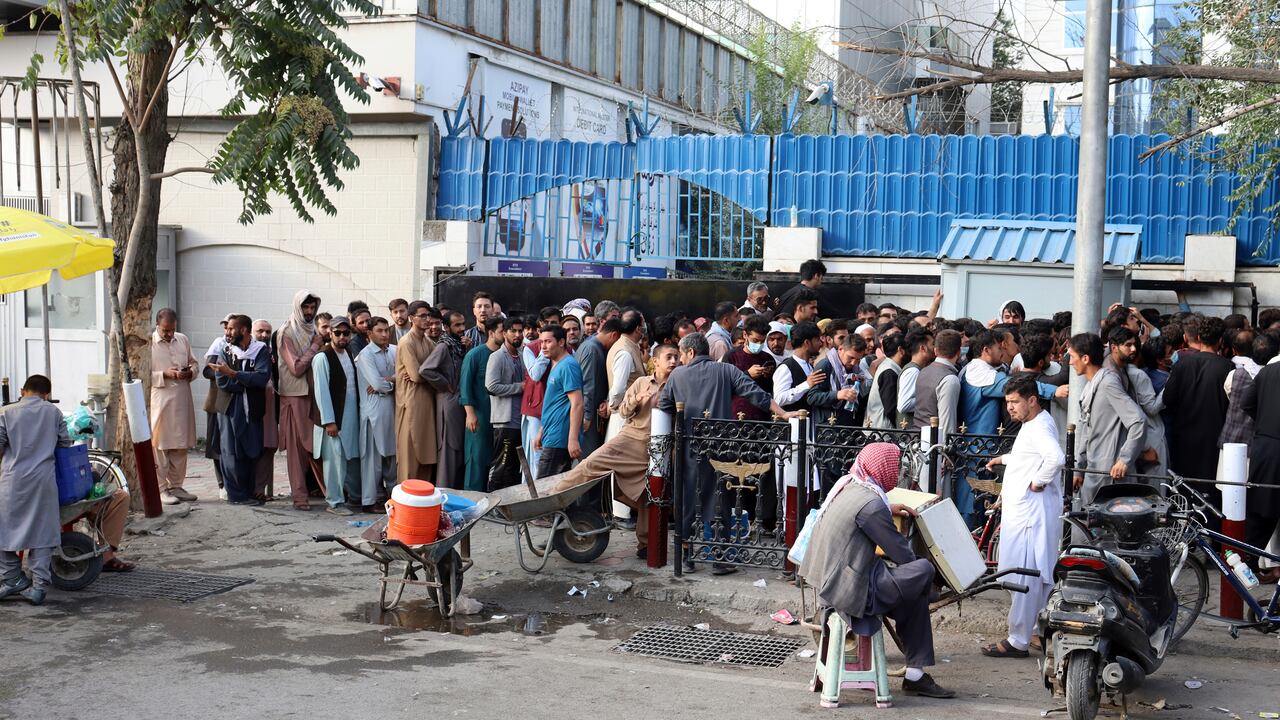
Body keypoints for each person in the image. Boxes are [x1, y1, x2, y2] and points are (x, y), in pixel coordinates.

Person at [798, 443, 955, 699]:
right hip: (848, 587)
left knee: (914, 594)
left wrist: (888, 508)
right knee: (923, 569)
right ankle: (916, 673)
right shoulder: (871, 505)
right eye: (895, 466)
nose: (898, 471)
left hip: (835, 574)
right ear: (883, 468)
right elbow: (902, 555)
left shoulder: (851, 483)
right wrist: (928, 574)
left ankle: (915, 676)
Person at [658, 332, 796, 574]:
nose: (680, 360)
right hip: (721, 447)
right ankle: (719, 558)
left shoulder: (677, 375)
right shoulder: (726, 371)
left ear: (690, 352)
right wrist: (783, 413)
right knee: (720, 500)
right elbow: (756, 394)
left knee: (687, 499)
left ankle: (687, 556)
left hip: (689, 447)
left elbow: (665, 407)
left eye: (681, 354)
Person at [553, 344, 681, 559]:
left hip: (658, 450)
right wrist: (636, 399)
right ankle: (554, 495)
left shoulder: (678, 385)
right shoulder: (642, 382)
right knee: (592, 462)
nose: (673, 361)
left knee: (647, 497)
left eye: (676, 357)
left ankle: (645, 545)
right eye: (669, 357)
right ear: (655, 361)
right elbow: (622, 410)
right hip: (630, 439)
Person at [982, 375, 1064, 659]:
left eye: (1015, 402)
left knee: (1024, 575)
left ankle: (1018, 639)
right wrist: (1004, 459)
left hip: (1031, 514)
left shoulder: (1039, 426)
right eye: (1008, 403)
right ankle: (1034, 631)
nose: (1010, 409)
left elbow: (1055, 458)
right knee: (1030, 574)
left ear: (1032, 400)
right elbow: (1031, 455)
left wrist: (1038, 481)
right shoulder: (1034, 424)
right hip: (1027, 511)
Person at [0, 375, 72, 605]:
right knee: (42, 533)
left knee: (4, 531)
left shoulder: (6, 413)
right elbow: (65, 444)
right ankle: (39, 588)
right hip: (44, 481)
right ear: (47, 395)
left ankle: (12, 577)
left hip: (13, 482)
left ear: (22, 390)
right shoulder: (54, 413)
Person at [1069, 332, 1146, 505]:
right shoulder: (1092, 385)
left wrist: (1125, 460)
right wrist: (1079, 470)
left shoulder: (1108, 383)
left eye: (1072, 357)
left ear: (1085, 358)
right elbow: (1087, 430)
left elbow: (1138, 420)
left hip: (1110, 475)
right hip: (1095, 471)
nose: (1070, 362)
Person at [1162, 315, 1232, 490]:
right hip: (1213, 436)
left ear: (1199, 338)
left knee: (1183, 487)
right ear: (1221, 340)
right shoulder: (1227, 367)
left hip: (1183, 434)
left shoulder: (1182, 364)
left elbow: (1167, 398)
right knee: (1210, 487)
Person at [210, 315, 272, 506]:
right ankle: (236, 496)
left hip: (252, 408)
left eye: (231, 329)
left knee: (251, 449)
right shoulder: (224, 350)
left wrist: (235, 374)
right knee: (230, 451)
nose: (227, 332)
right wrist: (246, 382)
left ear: (244, 330)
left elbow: (262, 378)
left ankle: (249, 493)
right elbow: (222, 381)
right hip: (229, 408)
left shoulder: (260, 350)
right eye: (227, 329)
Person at [277, 290, 326, 510]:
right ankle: (299, 497)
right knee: (297, 449)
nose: (309, 312)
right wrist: (316, 346)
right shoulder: (287, 332)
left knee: (316, 446)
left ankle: (325, 492)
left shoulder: (313, 329)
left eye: (312, 308)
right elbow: (296, 368)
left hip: (313, 394)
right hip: (295, 396)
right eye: (305, 307)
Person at [311, 316, 362, 515]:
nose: (342, 336)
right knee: (333, 461)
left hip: (349, 414)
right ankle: (335, 503)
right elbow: (321, 393)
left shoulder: (348, 353)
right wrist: (329, 421)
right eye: (337, 333)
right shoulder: (322, 357)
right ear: (329, 333)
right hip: (332, 418)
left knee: (348, 457)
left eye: (346, 333)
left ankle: (350, 498)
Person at [150, 308, 199, 505]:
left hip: (182, 398)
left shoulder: (183, 339)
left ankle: (176, 486)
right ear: (157, 326)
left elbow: (195, 364)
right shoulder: (148, 344)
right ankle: (161, 489)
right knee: (160, 444)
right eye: (165, 331)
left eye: (171, 330)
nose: (169, 334)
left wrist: (190, 373)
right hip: (160, 400)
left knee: (180, 444)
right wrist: (164, 374)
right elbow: (141, 375)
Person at [1243, 332, 1280, 581]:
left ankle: (1248, 564)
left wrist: (1264, 423)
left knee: (1261, 511)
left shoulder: (1267, 371)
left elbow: (1247, 402)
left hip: (1265, 447)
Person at [606, 309, 648, 525]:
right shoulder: (624, 351)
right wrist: (616, 405)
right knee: (622, 463)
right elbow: (618, 388)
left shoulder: (628, 347)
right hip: (624, 414)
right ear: (638, 328)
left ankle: (624, 511)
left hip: (626, 413)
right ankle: (621, 513)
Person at [422, 310, 468, 489]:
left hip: (457, 402)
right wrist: (445, 385)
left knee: (457, 450)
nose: (462, 328)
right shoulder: (444, 346)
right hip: (448, 403)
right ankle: (444, 496)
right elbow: (426, 370)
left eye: (463, 324)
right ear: (446, 327)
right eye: (457, 325)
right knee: (448, 451)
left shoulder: (458, 345)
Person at [356, 316, 398, 510]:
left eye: (386, 330)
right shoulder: (366, 355)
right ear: (370, 333)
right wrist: (391, 383)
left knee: (391, 456)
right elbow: (376, 383)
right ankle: (369, 501)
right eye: (379, 331)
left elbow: (404, 373)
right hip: (374, 412)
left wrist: (387, 380)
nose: (384, 334)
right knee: (373, 460)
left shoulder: (394, 351)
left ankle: (392, 496)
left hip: (391, 409)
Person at [534, 325, 584, 480]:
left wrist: (573, 439)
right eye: (541, 342)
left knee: (545, 492)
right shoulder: (556, 364)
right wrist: (542, 431)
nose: (543, 346)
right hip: (551, 436)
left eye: (548, 341)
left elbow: (577, 403)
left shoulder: (568, 365)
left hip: (560, 440)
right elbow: (555, 403)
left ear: (561, 342)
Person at [395, 301, 439, 482]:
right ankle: (405, 506)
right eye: (422, 316)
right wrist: (427, 375)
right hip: (410, 404)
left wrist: (425, 373)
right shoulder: (406, 342)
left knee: (426, 456)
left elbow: (438, 368)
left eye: (428, 315)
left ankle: (423, 506)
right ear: (412, 318)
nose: (427, 319)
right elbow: (416, 376)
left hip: (427, 402)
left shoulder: (427, 341)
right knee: (409, 458)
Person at [486, 316, 527, 490]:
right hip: (505, 421)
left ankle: (508, 506)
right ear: (504, 333)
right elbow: (491, 386)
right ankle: (494, 503)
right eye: (513, 331)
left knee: (513, 468)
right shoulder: (497, 357)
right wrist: (519, 387)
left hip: (521, 421)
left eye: (520, 331)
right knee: (501, 465)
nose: (517, 335)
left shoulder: (523, 355)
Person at [460, 318, 501, 492]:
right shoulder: (475, 355)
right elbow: (465, 386)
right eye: (502, 331)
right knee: (476, 457)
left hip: (498, 415)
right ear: (491, 333)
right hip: (479, 415)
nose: (506, 334)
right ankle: (471, 501)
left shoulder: (505, 355)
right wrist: (470, 413)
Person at [577, 318, 618, 459]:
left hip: (594, 415)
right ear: (614, 336)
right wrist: (587, 416)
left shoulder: (597, 347)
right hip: (587, 418)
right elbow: (587, 386)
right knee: (587, 460)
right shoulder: (592, 349)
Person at [726, 315, 777, 421]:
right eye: (755, 340)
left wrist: (767, 376)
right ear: (745, 335)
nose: (758, 344)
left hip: (762, 415)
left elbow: (771, 390)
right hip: (737, 414)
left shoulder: (768, 358)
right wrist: (747, 374)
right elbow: (724, 385)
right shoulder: (731, 356)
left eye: (762, 341)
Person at [912, 329, 962, 435]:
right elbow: (947, 421)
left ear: (935, 351)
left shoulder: (923, 371)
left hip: (916, 437)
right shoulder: (950, 379)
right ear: (959, 352)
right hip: (933, 442)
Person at [251, 319, 280, 502]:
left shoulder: (273, 352)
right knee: (254, 446)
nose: (264, 335)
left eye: (268, 332)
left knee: (269, 446)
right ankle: (252, 488)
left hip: (272, 406)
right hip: (254, 407)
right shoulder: (248, 352)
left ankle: (262, 489)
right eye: (260, 331)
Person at [864, 333, 906, 429]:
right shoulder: (889, 371)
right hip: (882, 431)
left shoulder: (888, 366)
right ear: (901, 350)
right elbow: (891, 408)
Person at [896, 328, 935, 419]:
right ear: (922, 348)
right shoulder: (913, 371)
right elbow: (903, 405)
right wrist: (929, 397)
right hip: (910, 430)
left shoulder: (918, 369)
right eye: (932, 344)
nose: (935, 348)